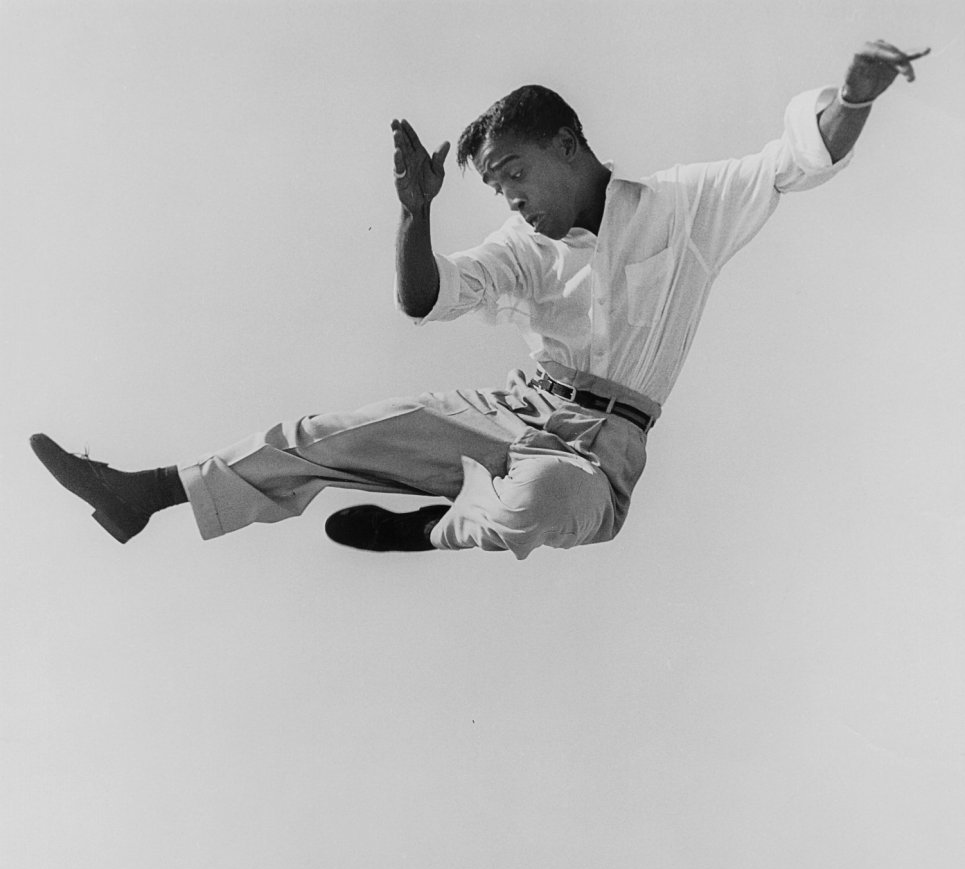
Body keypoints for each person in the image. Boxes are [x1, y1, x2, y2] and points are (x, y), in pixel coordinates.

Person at [31, 40, 928, 559]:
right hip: (512, 408)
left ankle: (434, 529)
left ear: (568, 146)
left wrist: (852, 96)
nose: (509, 199)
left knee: (540, 505)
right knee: (325, 435)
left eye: (513, 175)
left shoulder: (683, 207)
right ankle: (143, 492)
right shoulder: (521, 248)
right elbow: (425, 300)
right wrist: (414, 215)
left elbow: (793, 162)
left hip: (600, 451)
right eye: (494, 188)